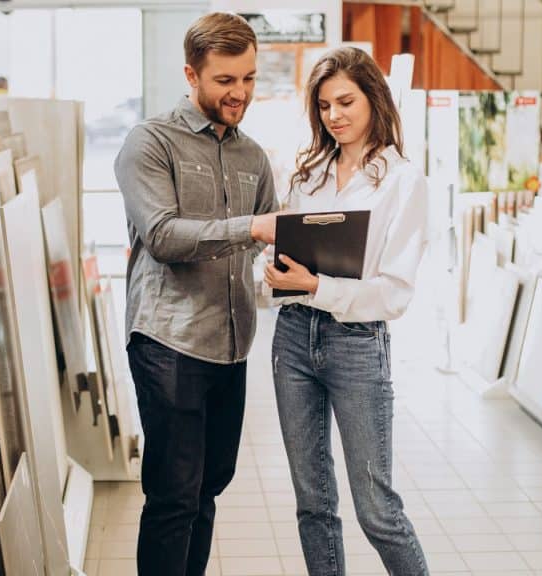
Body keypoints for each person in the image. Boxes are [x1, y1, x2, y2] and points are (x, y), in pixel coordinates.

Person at [114, 12, 279, 576]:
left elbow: (267, 235)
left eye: (249, 79)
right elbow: (161, 236)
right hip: (170, 343)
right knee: (174, 496)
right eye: (226, 81)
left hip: (230, 345)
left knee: (209, 487)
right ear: (192, 74)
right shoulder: (150, 142)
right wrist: (250, 230)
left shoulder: (253, 156)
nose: (240, 94)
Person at [263, 47, 430, 575]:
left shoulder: (403, 182)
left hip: (356, 343)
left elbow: (395, 293)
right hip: (292, 336)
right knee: (313, 504)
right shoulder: (307, 175)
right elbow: (283, 253)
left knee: (377, 509)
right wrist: (273, 275)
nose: (334, 116)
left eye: (345, 102)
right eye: (324, 106)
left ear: (373, 99)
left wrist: (318, 285)